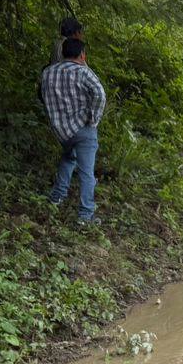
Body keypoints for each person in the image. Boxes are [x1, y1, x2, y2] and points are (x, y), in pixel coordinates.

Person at [40, 37, 106, 225]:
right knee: (86, 172)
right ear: (82, 55)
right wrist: (93, 118)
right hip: (84, 129)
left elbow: (43, 96)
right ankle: (85, 216)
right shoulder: (84, 72)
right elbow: (100, 94)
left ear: (62, 53)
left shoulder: (47, 73)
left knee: (69, 157)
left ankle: (57, 198)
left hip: (61, 130)